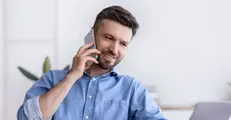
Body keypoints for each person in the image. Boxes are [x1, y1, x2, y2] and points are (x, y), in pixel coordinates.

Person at [17, 5, 166, 120]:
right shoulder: (52, 80)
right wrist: (72, 77)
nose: (115, 50)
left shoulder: (132, 89)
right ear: (91, 36)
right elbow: (27, 117)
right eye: (108, 38)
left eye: (123, 44)